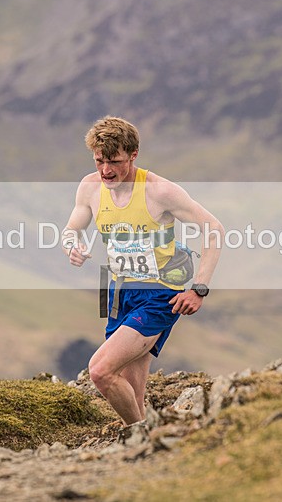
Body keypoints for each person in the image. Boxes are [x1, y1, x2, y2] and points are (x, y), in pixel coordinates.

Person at [61, 116, 223, 426]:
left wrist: (199, 288)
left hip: (160, 293)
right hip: (119, 292)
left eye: (115, 161)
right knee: (130, 388)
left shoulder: (160, 191)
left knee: (101, 371)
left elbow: (214, 229)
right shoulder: (90, 187)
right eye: (99, 161)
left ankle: (138, 435)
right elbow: (71, 229)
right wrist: (72, 246)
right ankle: (146, 440)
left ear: (133, 154)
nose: (106, 170)